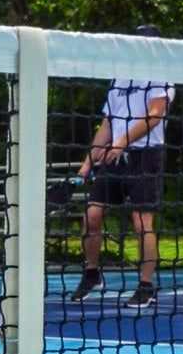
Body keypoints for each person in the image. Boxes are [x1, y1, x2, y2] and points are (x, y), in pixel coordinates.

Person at [69, 28, 173, 307]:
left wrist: (123, 142)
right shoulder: (119, 77)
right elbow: (107, 123)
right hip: (116, 157)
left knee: (142, 223)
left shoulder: (159, 73)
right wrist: (89, 161)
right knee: (91, 214)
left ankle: (146, 285)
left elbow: (155, 115)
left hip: (146, 155)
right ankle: (92, 273)